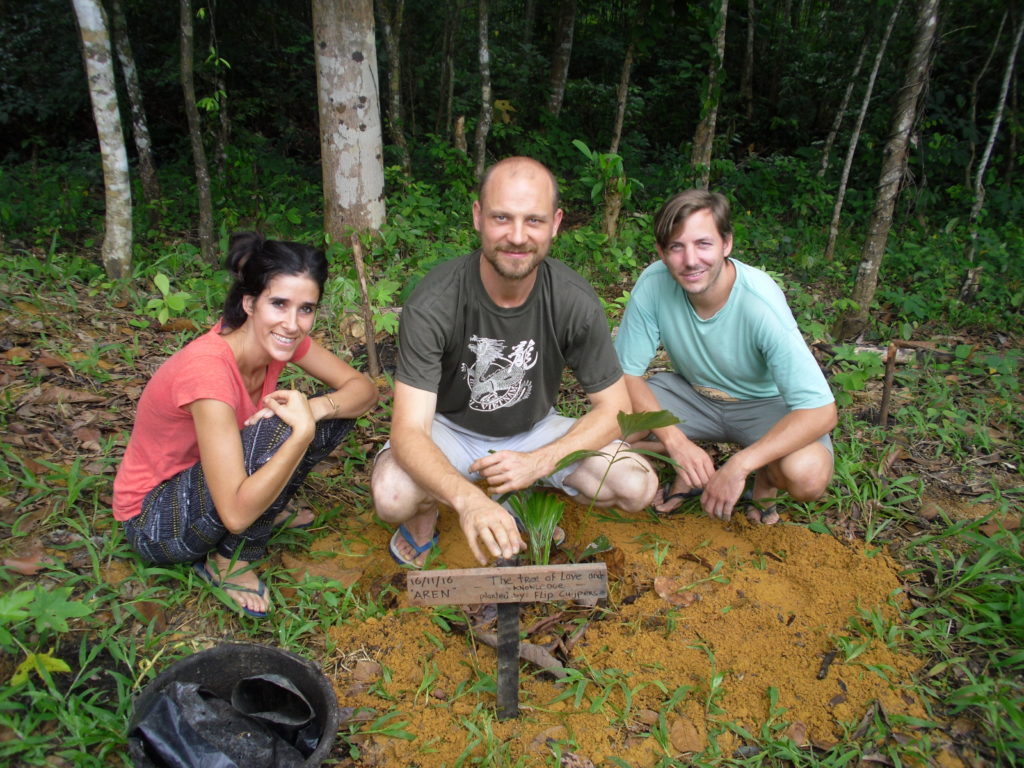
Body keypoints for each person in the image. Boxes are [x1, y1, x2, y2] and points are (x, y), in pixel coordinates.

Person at [371, 156, 657, 567]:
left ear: (556, 223)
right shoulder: (435, 302)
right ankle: (426, 517)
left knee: (637, 484)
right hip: (450, 431)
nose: (518, 236)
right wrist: (467, 499)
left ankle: (524, 492)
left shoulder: (572, 299)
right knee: (393, 495)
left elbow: (616, 409)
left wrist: (540, 461)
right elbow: (410, 430)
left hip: (533, 430)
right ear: (478, 217)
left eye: (534, 221)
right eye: (502, 218)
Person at [113, 233, 378, 617]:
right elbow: (235, 514)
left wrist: (317, 410)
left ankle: (265, 504)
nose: (292, 323)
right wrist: (301, 431)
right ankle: (232, 560)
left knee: (326, 416)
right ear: (249, 303)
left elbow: (364, 390)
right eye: (279, 304)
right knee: (284, 426)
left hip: (214, 483)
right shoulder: (209, 370)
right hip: (155, 522)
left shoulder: (280, 340)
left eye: (306, 309)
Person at [614, 189, 836, 524]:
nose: (690, 260)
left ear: (726, 244)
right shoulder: (654, 283)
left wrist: (740, 464)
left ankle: (763, 482)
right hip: (691, 396)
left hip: (763, 407)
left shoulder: (759, 304)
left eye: (703, 244)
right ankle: (687, 466)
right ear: (661, 252)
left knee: (807, 474)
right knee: (607, 428)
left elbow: (821, 411)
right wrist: (675, 442)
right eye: (677, 246)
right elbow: (625, 374)